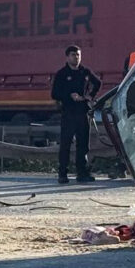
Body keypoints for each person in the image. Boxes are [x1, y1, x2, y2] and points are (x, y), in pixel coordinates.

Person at [50, 45, 100, 184]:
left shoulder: (85, 71)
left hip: (82, 112)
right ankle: (63, 173)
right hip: (68, 113)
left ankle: (82, 173)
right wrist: (69, 96)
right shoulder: (62, 74)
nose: (76, 57)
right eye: (73, 55)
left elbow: (98, 83)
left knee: (83, 144)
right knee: (65, 144)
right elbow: (54, 94)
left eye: (78, 55)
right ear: (67, 57)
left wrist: (89, 96)